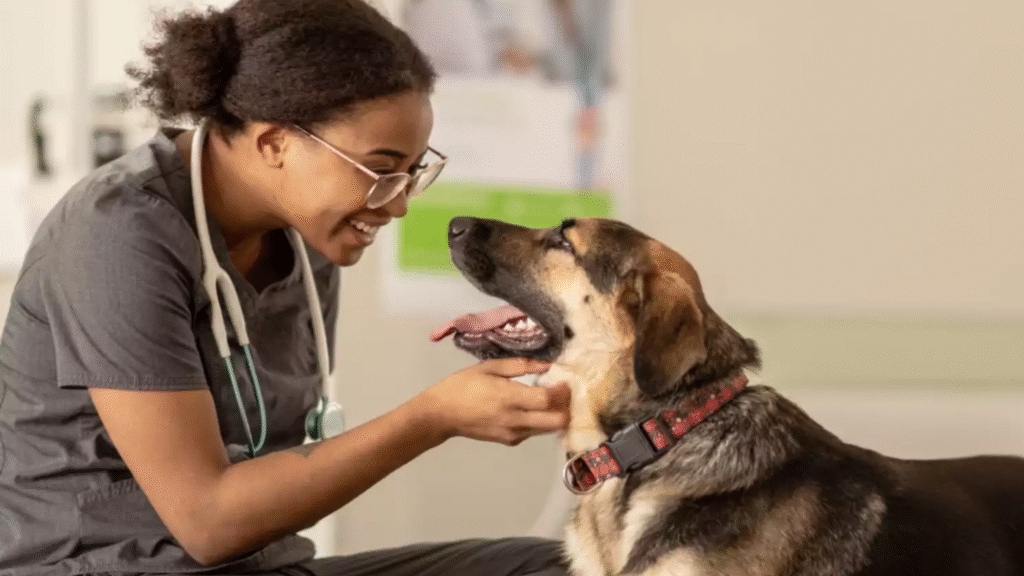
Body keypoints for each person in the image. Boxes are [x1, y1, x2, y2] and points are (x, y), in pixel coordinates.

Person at [0, 1, 572, 575]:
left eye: (414, 172)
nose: (397, 203)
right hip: (111, 568)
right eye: (381, 170)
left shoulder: (303, 238)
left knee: (562, 566)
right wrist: (432, 418)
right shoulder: (117, 236)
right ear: (274, 143)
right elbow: (209, 522)